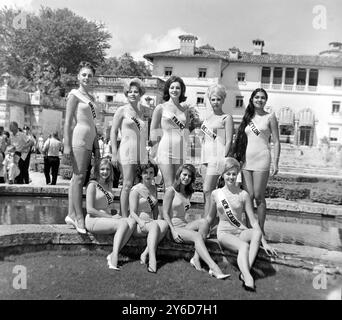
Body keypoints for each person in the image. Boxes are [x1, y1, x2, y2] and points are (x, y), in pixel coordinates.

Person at [207, 157, 277, 291]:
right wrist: (202, 232)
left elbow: (253, 221)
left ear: (237, 174)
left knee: (256, 232)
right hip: (225, 233)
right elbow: (210, 217)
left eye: (234, 174)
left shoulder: (243, 195)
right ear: (223, 175)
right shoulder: (216, 194)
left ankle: (245, 272)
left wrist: (265, 242)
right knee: (244, 246)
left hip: (240, 232)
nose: (231, 177)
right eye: (228, 174)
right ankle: (248, 277)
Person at [162, 163, 230, 280]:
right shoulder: (171, 191)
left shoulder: (188, 193)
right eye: (184, 174)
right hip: (172, 228)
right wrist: (173, 231)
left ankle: (196, 258)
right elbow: (165, 214)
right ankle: (214, 268)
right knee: (197, 236)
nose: (186, 178)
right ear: (179, 175)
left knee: (204, 222)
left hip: (184, 226)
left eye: (189, 176)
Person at [232, 88, 280, 234]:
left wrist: (275, 162)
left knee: (259, 196)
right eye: (257, 97)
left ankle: (260, 230)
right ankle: (249, 229)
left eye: (262, 97)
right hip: (246, 161)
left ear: (266, 100)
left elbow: (277, 142)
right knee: (248, 196)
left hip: (262, 159)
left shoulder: (270, 117)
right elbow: (240, 139)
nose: (259, 100)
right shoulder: (248, 117)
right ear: (252, 99)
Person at [63, 61, 101, 234]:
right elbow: (68, 121)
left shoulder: (92, 99)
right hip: (78, 138)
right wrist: (66, 145)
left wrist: (97, 148)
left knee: (76, 179)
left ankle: (71, 213)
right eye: (84, 75)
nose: (86, 78)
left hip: (90, 140)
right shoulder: (74, 95)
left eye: (90, 75)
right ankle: (79, 216)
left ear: (93, 79)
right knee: (79, 178)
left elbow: (93, 125)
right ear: (78, 77)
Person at [85, 158, 136, 270]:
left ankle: (113, 253)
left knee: (131, 222)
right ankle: (114, 259)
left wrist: (115, 214)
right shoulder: (92, 185)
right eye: (102, 169)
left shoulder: (109, 184)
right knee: (122, 224)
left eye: (107, 169)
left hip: (105, 218)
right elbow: (90, 210)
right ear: (97, 170)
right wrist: (111, 217)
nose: (105, 171)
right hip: (93, 219)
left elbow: (106, 205)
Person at [110, 78, 149, 217]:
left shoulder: (144, 111)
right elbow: (113, 132)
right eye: (130, 91)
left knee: (138, 185)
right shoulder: (122, 110)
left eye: (136, 91)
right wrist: (114, 153)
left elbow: (146, 134)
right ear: (126, 93)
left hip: (140, 151)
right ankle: (123, 215)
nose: (133, 94)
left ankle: (135, 213)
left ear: (140, 94)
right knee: (127, 184)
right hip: (126, 150)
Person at [150, 76, 190, 189]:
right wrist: (154, 150)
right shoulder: (160, 108)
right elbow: (153, 131)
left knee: (178, 185)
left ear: (182, 90)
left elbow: (186, 132)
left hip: (180, 150)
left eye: (178, 88)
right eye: (172, 87)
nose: (174, 90)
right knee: (169, 185)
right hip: (165, 149)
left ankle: (175, 207)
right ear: (168, 89)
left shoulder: (185, 111)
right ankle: (166, 207)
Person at [200, 84, 233, 216]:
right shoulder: (207, 118)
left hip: (217, 158)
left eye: (218, 99)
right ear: (209, 100)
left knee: (208, 190)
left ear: (223, 100)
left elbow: (229, 140)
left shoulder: (226, 118)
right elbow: (203, 140)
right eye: (213, 99)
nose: (215, 102)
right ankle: (209, 221)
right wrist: (200, 161)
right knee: (207, 193)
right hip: (205, 159)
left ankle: (207, 222)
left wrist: (223, 160)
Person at [129, 161, 169, 273]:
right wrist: (140, 222)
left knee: (164, 224)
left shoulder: (153, 188)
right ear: (141, 174)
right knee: (155, 227)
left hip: (150, 222)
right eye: (145, 172)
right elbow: (132, 212)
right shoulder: (135, 190)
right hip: (138, 224)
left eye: (151, 172)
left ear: (154, 174)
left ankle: (145, 253)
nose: (148, 175)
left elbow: (155, 208)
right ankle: (152, 259)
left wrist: (157, 220)